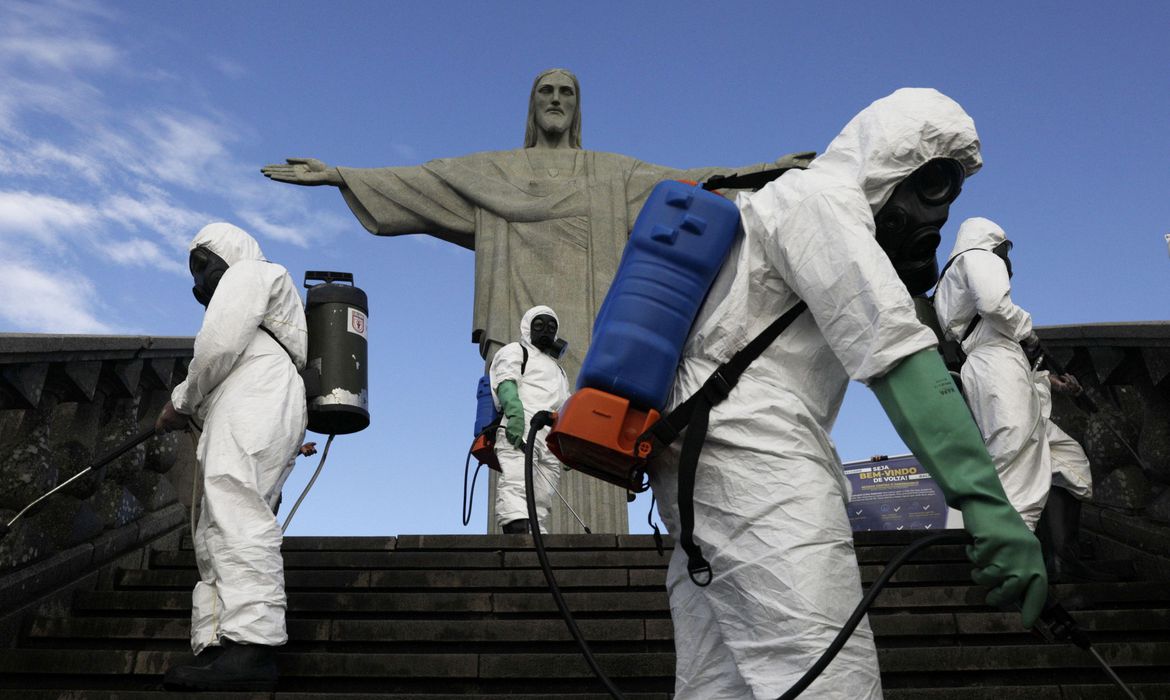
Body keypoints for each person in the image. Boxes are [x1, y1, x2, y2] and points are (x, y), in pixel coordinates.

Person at [649, 89, 1047, 699]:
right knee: (832, 678)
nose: (938, 213)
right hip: (754, 455)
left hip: (707, 460)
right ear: (893, 160)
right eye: (934, 183)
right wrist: (988, 505)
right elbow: (896, 354)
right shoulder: (820, 199)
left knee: (720, 685)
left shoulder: (785, 204)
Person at [156, 222, 308, 692]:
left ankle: (252, 645)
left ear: (229, 251)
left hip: (257, 392)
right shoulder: (260, 287)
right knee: (218, 518)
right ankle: (220, 642)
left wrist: (180, 400)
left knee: (235, 505)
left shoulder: (250, 273)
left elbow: (218, 345)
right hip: (249, 394)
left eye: (203, 264)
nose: (198, 279)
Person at [935, 217, 1052, 530]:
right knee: (1014, 447)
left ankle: (1034, 545)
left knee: (1049, 453)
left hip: (981, 363)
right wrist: (1028, 333)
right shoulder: (978, 256)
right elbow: (993, 305)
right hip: (996, 360)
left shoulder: (947, 282)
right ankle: (1015, 541)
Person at [490, 305, 570, 534]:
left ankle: (535, 528)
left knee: (543, 490)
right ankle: (515, 524)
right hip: (523, 424)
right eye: (539, 325)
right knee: (517, 477)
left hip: (549, 436)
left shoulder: (558, 370)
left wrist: (568, 444)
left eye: (551, 326)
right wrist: (514, 414)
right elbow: (506, 381)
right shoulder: (515, 351)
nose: (546, 330)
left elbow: (564, 405)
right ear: (527, 328)